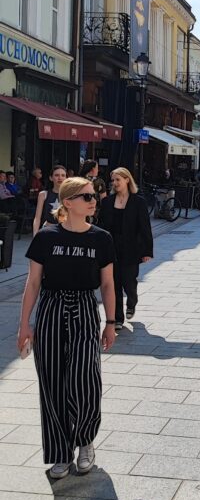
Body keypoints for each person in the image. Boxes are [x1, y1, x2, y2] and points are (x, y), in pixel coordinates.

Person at [17, 176, 116, 479]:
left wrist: (111, 323)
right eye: (87, 197)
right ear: (68, 202)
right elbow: (33, 282)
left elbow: (108, 284)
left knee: (86, 379)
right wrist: (24, 324)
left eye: (94, 196)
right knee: (52, 384)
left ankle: (85, 441)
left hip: (84, 308)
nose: (93, 201)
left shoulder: (101, 238)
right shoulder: (46, 237)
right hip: (51, 308)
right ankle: (60, 452)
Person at [97, 167, 153, 331]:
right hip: (111, 249)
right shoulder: (107, 202)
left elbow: (145, 228)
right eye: (113, 180)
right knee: (113, 284)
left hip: (131, 248)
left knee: (129, 282)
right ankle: (117, 319)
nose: (114, 183)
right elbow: (101, 226)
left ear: (127, 180)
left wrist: (147, 251)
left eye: (118, 180)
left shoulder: (138, 202)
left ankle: (132, 302)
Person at [33, 163, 67, 234]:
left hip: (65, 231)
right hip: (48, 230)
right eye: (56, 175)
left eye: (63, 175)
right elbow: (37, 218)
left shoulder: (71, 195)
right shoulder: (43, 194)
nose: (60, 178)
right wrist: (35, 234)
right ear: (51, 178)